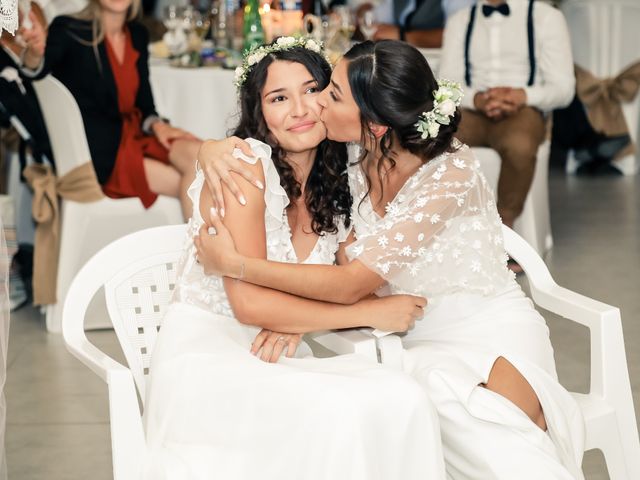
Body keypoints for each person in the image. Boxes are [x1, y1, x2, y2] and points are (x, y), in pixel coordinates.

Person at [195, 39, 585, 479]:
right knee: (477, 422)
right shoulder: (345, 155)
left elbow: (350, 284)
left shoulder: (448, 170)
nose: (316, 103)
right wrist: (209, 148)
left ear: (375, 124)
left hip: (488, 326)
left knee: (505, 423)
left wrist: (238, 267)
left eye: (331, 93)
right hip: (407, 338)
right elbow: (262, 140)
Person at [142, 38, 445, 480]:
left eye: (311, 90)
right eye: (279, 98)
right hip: (212, 360)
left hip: (276, 353)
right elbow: (249, 305)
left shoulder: (341, 179)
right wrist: (369, 312)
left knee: (406, 398)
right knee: (345, 413)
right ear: (259, 112)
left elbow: (344, 280)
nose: (300, 109)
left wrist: (298, 320)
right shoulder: (244, 167)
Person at [18, 0, 200, 218]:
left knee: (203, 155)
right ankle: (201, 250)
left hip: (136, 136)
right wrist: (34, 55)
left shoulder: (137, 34)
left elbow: (144, 104)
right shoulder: (69, 30)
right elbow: (37, 72)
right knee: (194, 184)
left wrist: (156, 124)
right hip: (102, 154)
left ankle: (208, 248)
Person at [438, 0, 574, 250]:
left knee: (519, 145)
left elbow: (564, 88)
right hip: (473, 109)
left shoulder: (546, 18)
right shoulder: (460, 21)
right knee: (434, 139)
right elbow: (446, 83)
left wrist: (523, 96)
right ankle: (446, 231)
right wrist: (476, 98)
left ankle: (505, 233)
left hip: (524, 110)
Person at [350, 0, 445, 47]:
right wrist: (361, 15)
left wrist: (402, 35)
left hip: (436, 63)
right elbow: (372, 18)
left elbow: (452, 34)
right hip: (401, 58)